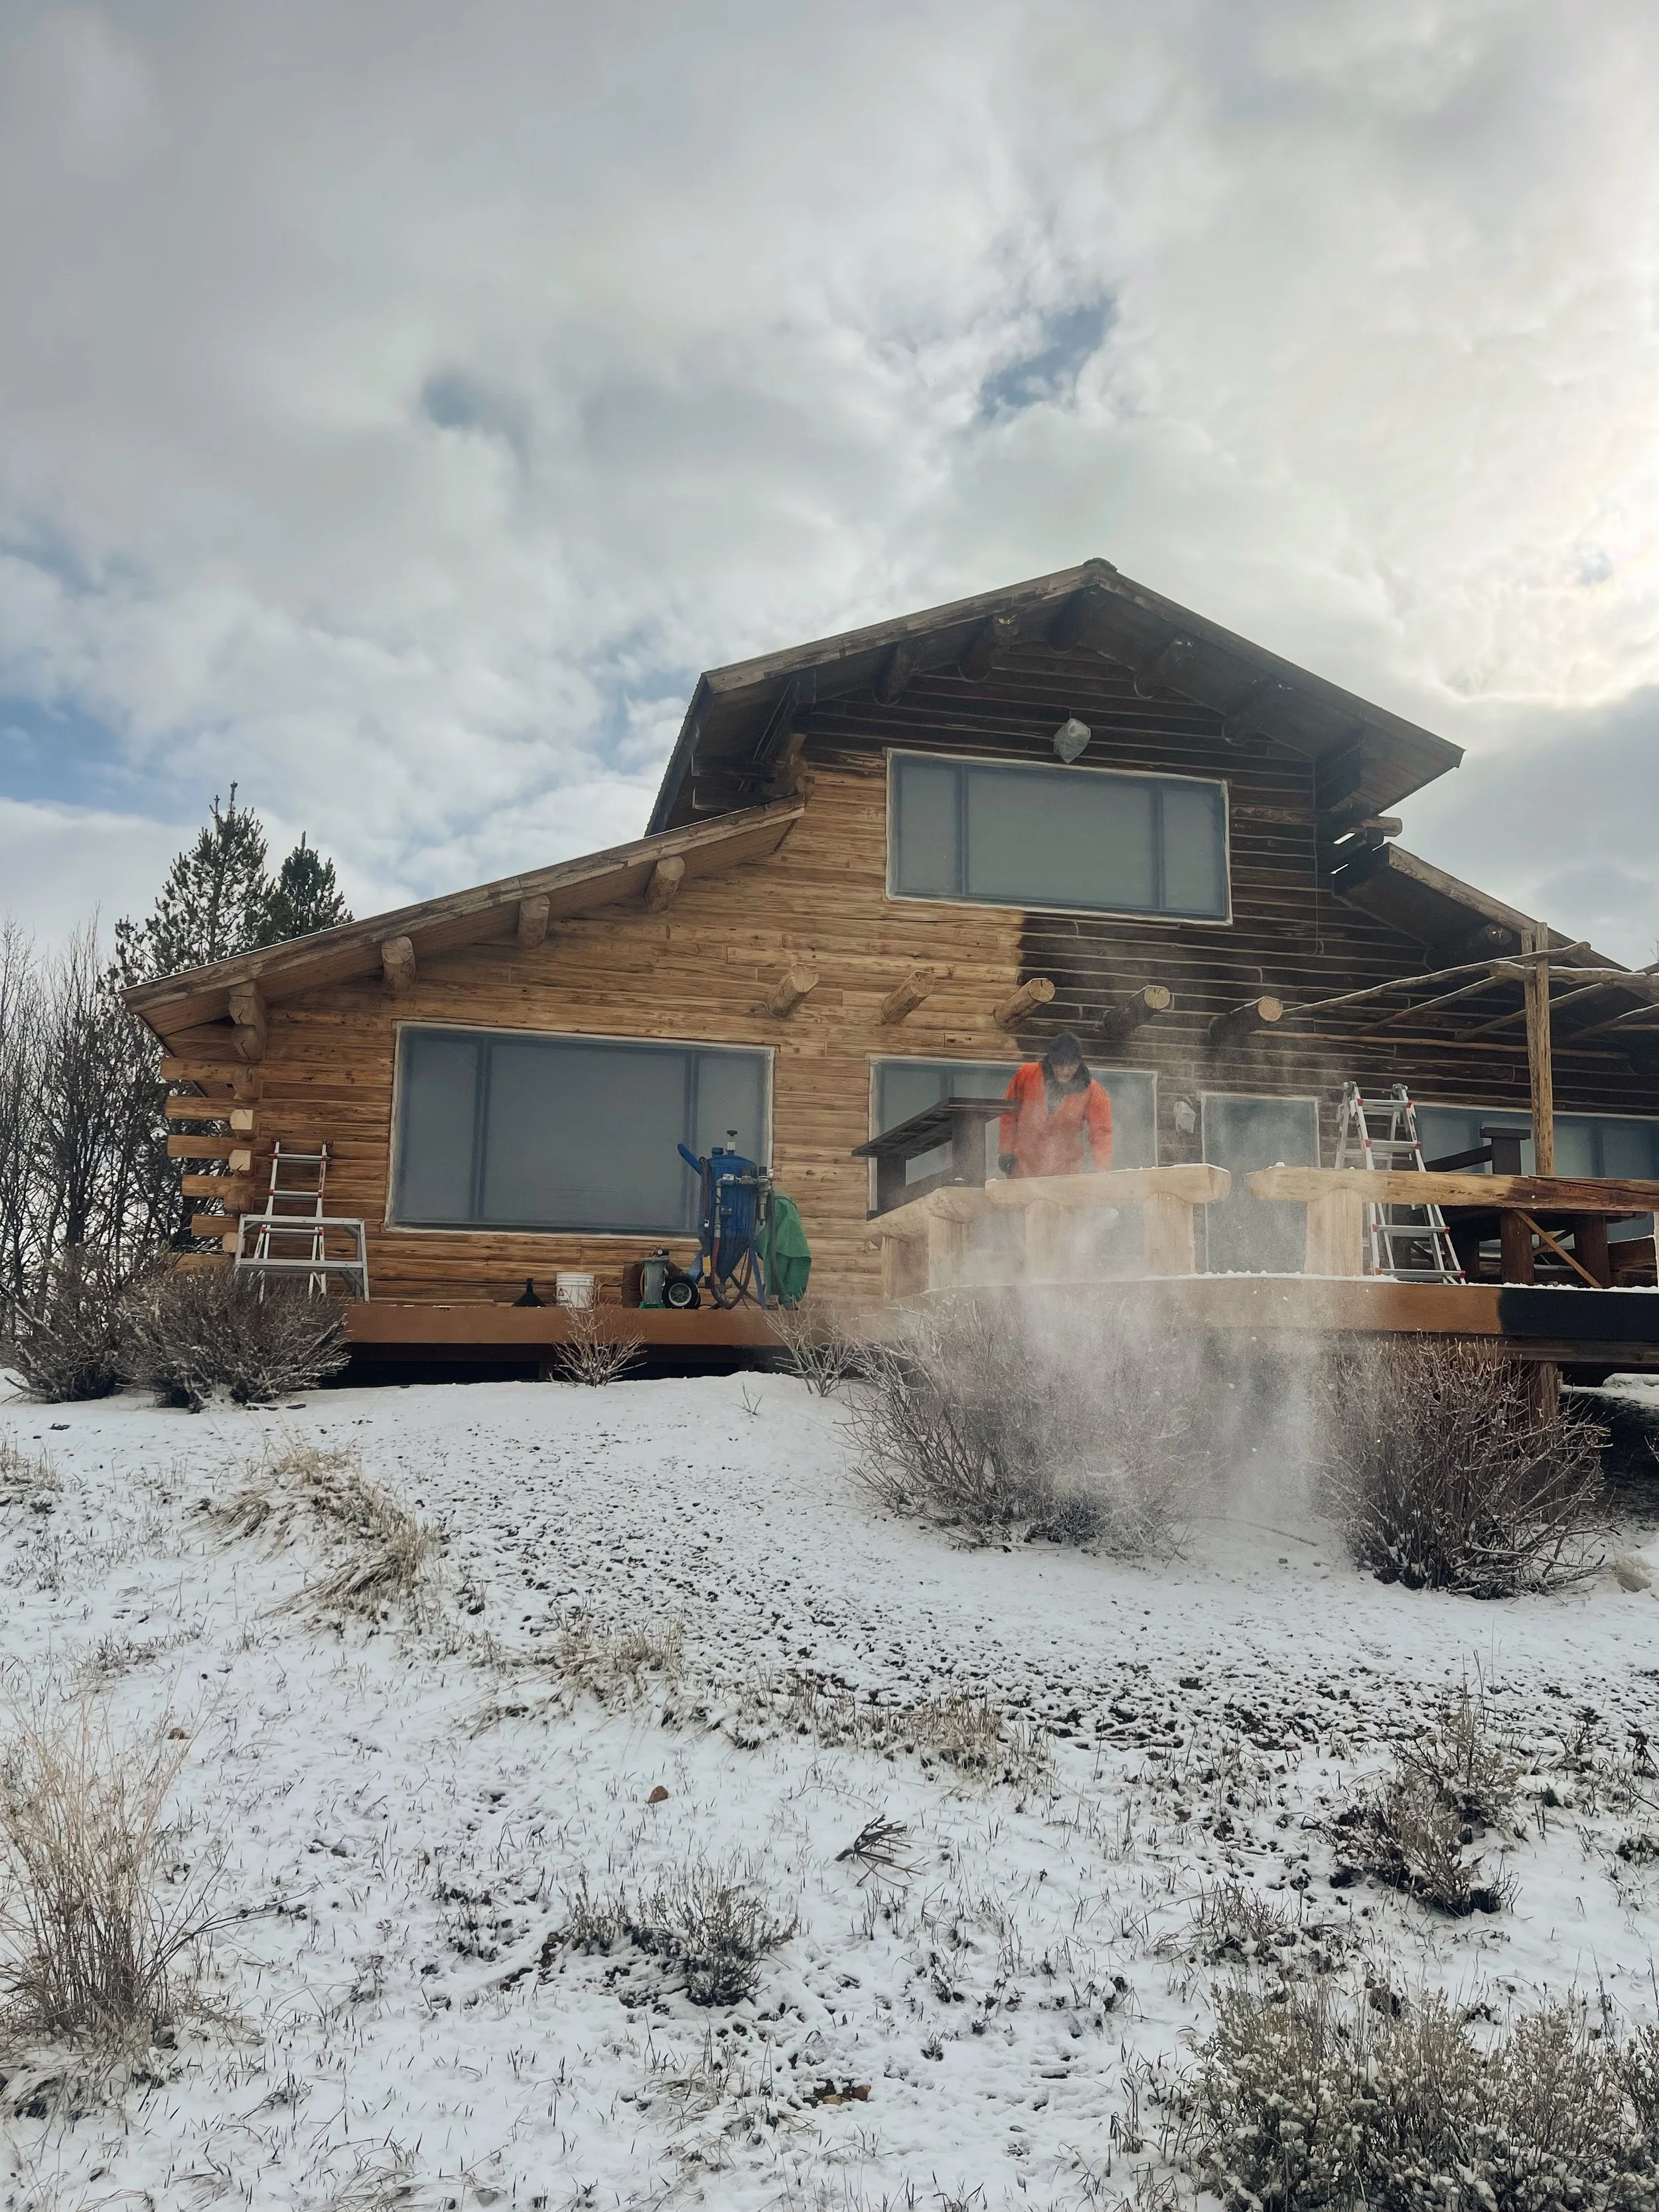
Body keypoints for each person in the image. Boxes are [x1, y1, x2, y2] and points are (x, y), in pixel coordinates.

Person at [997, 1032, 1114, 1179]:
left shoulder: (1091, 1090)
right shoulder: (1027, 1075)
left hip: (1065, 1171)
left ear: (1079, 1063)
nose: (1066, 1071)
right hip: (1024, 1166)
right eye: (1060, 1065)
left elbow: (1101, 1132)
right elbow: (1008, 1113)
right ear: (1051, 1062)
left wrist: (1101, 1171)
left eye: (1072, 1065)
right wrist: (1006, 1151)